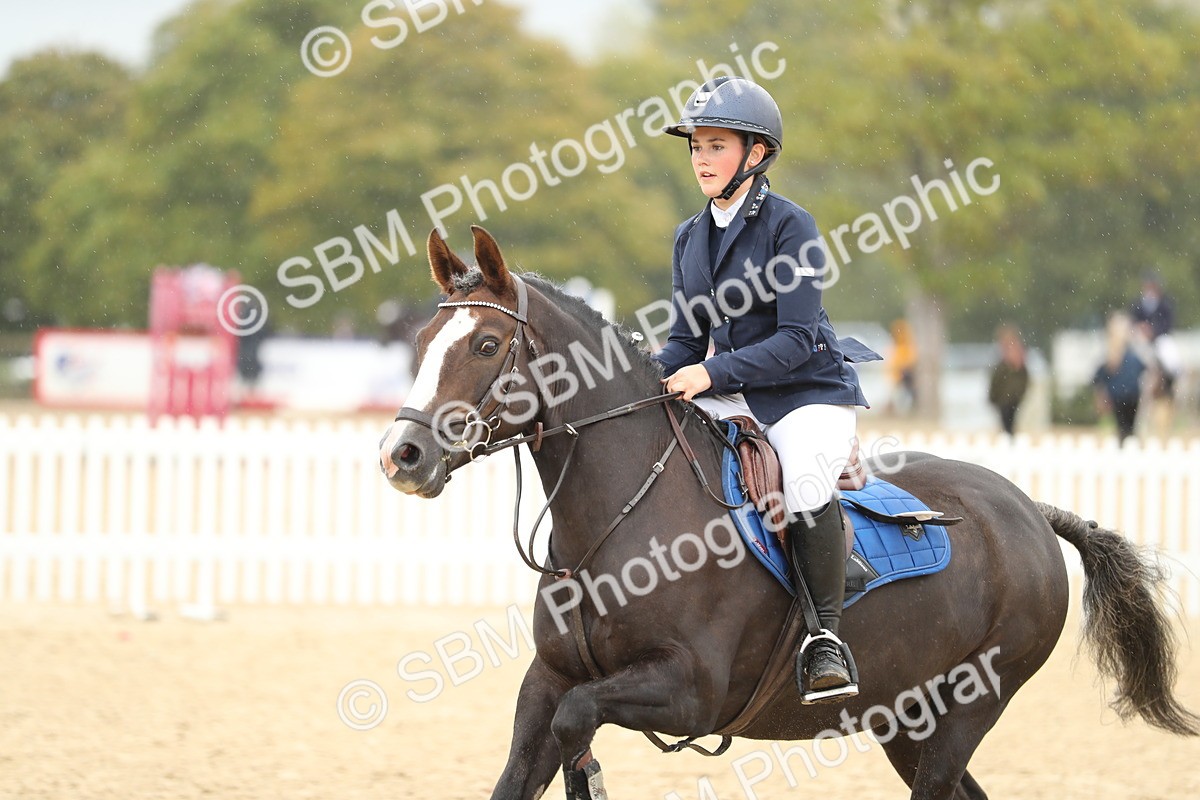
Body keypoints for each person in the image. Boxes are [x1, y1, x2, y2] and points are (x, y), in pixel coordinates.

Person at [653, 76, 880, 704]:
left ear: (755, 154)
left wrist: (711, 373)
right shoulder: (688, 237)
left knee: (803, 478)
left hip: (809, 391)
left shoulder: (791, 226)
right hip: (736, 390)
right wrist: (643, 375)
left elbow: (798, 340)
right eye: (695, 145)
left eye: (716, 145)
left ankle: (824, 640)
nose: (700, 157)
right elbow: (683, 343)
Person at [1092, 312, 1145, 444]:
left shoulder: (1129, 354)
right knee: (1125, 428)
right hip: (1123, 395)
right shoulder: (1119, 355)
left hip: (1126, 394)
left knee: (1126, 428)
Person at [988, 324, 1028, 436]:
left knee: (1009, 426)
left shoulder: (1018, 368)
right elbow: (996, 385)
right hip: (1005, 401)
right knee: (1006, 426)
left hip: (1012, 401)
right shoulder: (1002, 367)